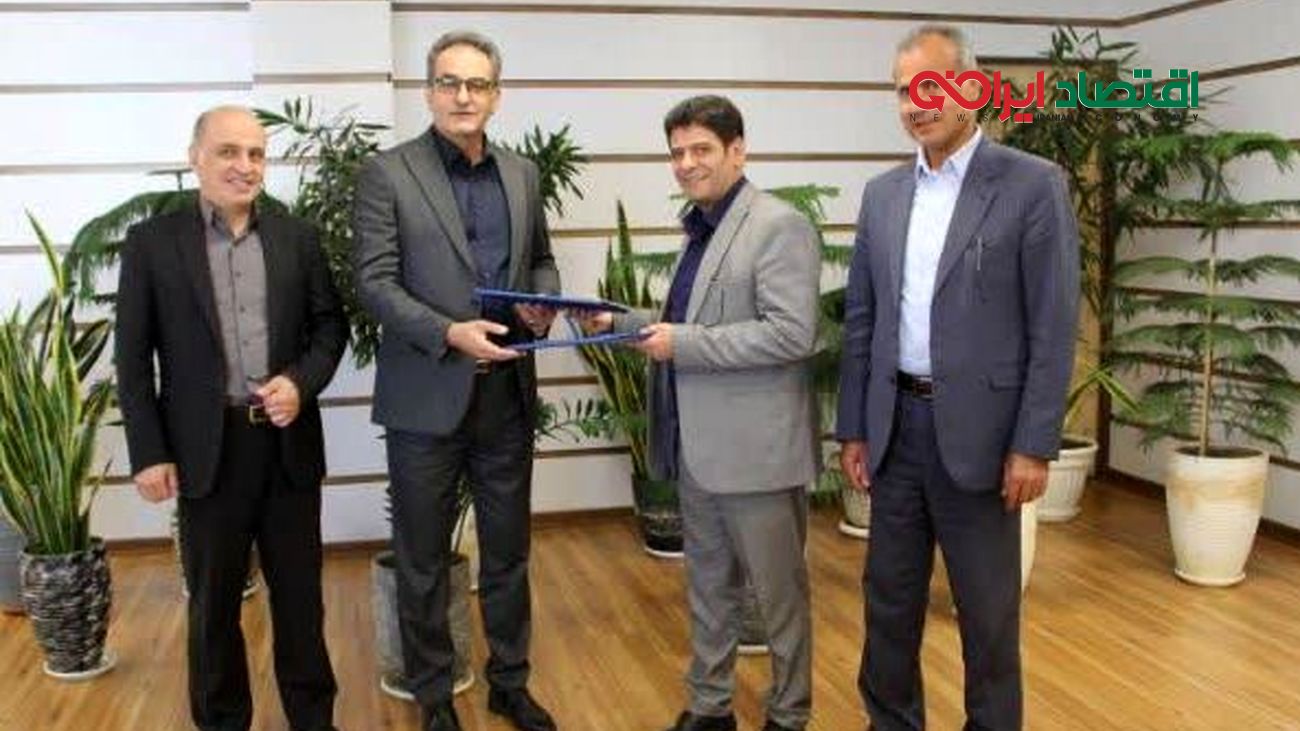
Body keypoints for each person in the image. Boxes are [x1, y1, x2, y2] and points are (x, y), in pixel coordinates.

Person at [835, 25, 1080, 731]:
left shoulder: (1032, 184)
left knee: (988, 615)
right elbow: (862, 320)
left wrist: (1034, 443)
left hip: (985, 438)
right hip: (896, 432)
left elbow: (1053, 325)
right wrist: (854, 428)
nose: (917, 104)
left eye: (931, 85)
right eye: (903, 91)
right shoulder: (883, 195)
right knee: (888, 604)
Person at [582, 95, 821, 731]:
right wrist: (621, 321)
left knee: (778, 599)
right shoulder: (701, 228)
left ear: (737, 151)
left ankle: (790, 714)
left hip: (758, 456)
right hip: (698, 450)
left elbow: (792, 334)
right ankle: (711, 709)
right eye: (677, 153)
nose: (686, 164)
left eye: (701, 150)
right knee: (709, 591)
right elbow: (691, 323)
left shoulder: (778, 225)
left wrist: (681, 344)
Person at [352, 29, 560, 731]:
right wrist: (448, 332)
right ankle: (434, 694)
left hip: (506, 395)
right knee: (421, 559)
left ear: (496, 95)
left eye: (477, 84)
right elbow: (375, 283)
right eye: (449, 82)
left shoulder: (523, 174)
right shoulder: (388, 173)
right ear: (428, 91)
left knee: (508, 551)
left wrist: (541, 303)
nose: (463, 96)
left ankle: (510, 682)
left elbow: (541, 260)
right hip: (425, 396)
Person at [115, 105, 347, 731]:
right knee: (213, 608)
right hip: (206, 453)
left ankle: (314, 721)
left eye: (256, 154)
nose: (245, 166)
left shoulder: (298, 238)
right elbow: (132, 360)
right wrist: (149, 453)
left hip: (288, 447)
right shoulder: (152, 244)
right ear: (195, 157)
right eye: (228, 152)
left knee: (301, 603)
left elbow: (330, 329)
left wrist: (300, 382)